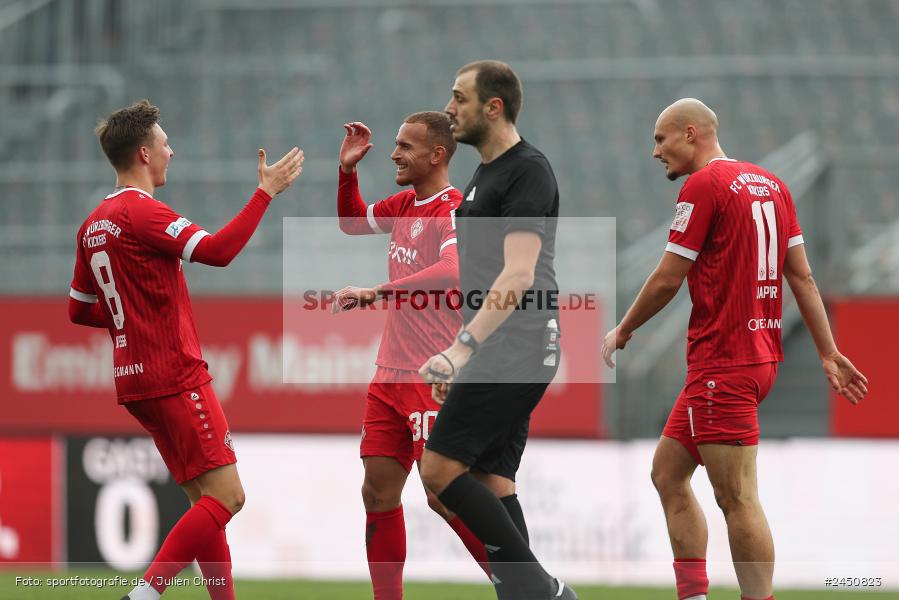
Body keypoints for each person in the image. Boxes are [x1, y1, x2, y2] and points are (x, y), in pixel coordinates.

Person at [601, 98, 868, 600]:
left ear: (690, 133)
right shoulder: (773, 185)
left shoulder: (703, 185)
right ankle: (694, 595)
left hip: (723, 363)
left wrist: (624, 327)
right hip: (757, 356)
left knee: (737, 497)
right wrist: (827, 351)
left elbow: (668, 278)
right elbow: (802, 277)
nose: (655, 151)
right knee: (667, 473)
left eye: (661, 139)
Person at [68, 99, 303, 600]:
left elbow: (78, 309)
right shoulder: (143, 212)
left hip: (133, 380)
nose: (171, 151)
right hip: (174, 373)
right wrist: (265, 193)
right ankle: (145, 594)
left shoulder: (92, 224)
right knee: (229, 497)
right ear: (144, 154)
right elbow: (218, 252)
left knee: (205, 499)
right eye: (164, 143)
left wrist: (131, 322)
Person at [418, 60, 576, 600]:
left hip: (520, 343)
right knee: (491, 482)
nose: (448, 108)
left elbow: (518, 274)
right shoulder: (484, 175)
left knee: (438, 471)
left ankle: (549, 594)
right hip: (506, 345)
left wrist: (462, 350)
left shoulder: (527, 170)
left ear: (494, 106)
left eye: (458, 97)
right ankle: (529, 596)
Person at [332, 112, 491, 599]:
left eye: (405, 146)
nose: (394, 154)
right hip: (389, 376)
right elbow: (352, 222)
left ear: (437, 155)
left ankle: (525, 586)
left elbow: (453, 268)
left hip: (432, 375)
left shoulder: (453, 208)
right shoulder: (405, 203)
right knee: (377, 493)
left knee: (444, 496)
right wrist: (347, 171)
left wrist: (377, 291)